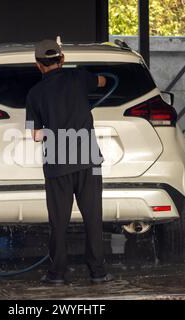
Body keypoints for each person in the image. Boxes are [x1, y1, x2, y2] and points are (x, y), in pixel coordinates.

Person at [26, 39, 114, 285]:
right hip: (88, 161)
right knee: (93, 218)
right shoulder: (78, 78)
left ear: (38, 65)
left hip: (57, 165)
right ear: (61, 60)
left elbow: (35, 135)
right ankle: (98, 272)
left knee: (59, 222)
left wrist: (54, 129)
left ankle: (57, 274)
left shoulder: (34, 94)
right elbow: (103, 81)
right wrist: (98, 80)